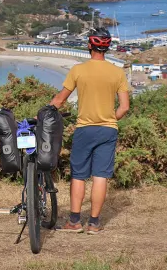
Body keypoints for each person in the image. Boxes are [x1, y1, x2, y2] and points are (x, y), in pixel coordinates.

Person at [48, 27, 130, 234]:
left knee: (79, 175)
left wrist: (42, 114)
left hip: (85, 129)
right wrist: (112, 118)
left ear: (89, 46)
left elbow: (59, 99)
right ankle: (94, 223)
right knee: (100, 175)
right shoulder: (117, 72)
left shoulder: (78, 70)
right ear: (107, 47)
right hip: (108, 130)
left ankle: (74, 221)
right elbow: (124, 107)